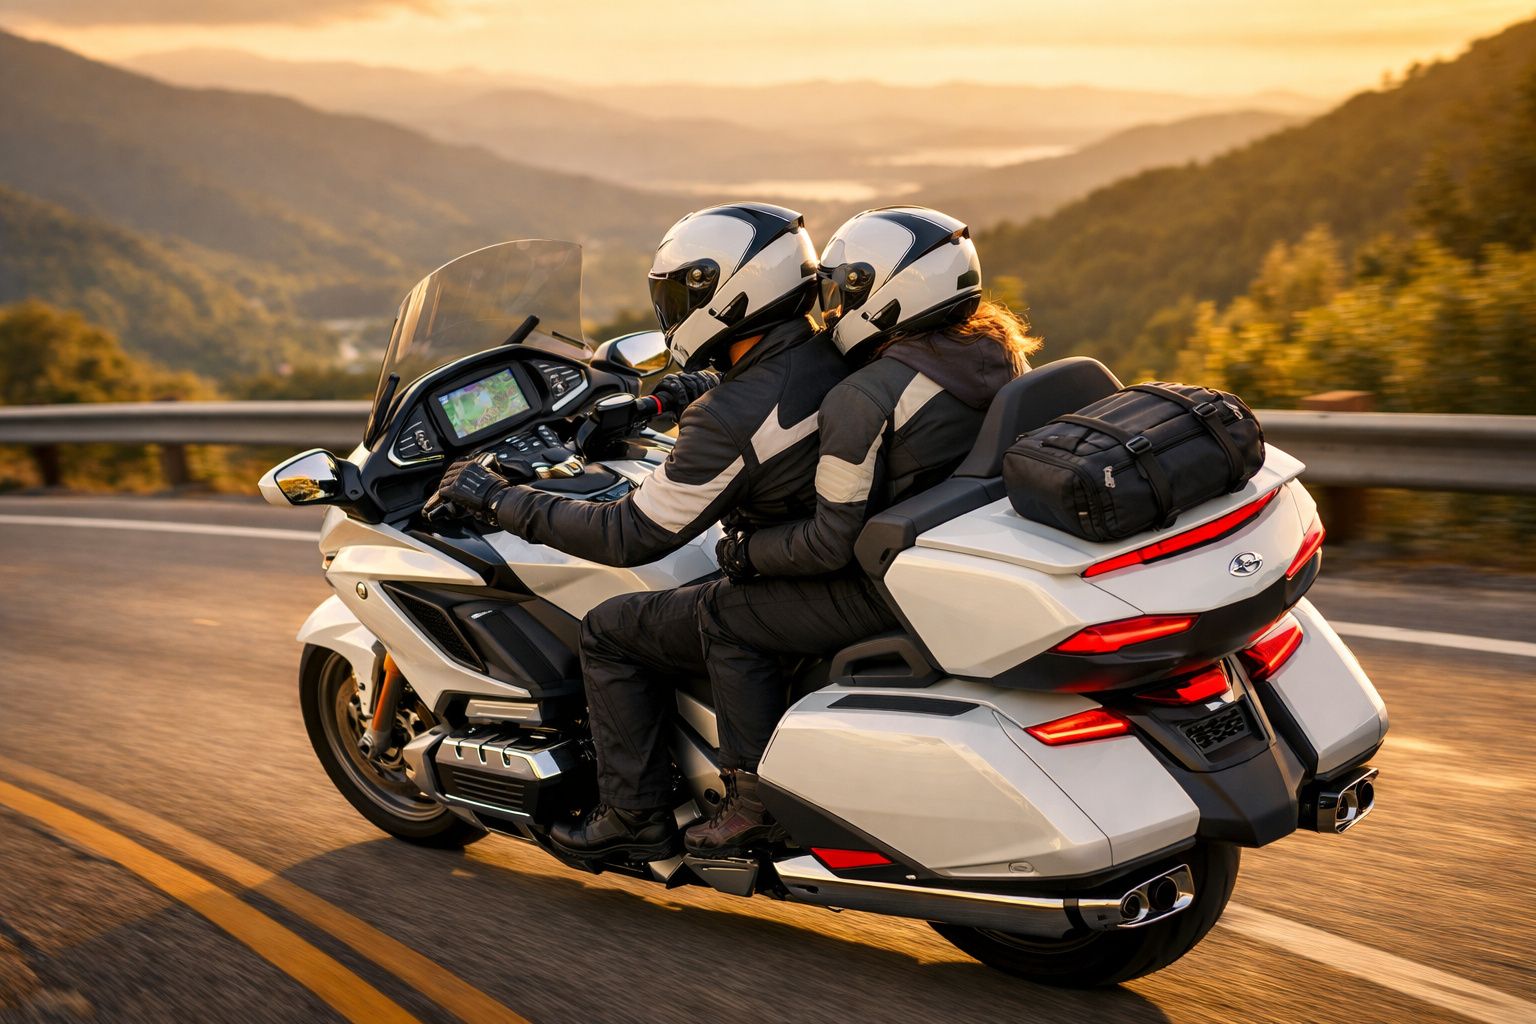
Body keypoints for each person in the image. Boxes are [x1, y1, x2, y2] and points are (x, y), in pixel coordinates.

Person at [433, 202, 847, 861]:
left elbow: (629, 534)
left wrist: (500, 499)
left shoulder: (731, 415)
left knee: (611, 628)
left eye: (680, 295)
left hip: (791, 580)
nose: (672, 311)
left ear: (730, 293)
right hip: (824, 558)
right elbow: (770, 384)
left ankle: (633, 815)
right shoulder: (830, 351)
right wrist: (681, 392)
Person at [682, 206, 1042, 855]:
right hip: (961, 553)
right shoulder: (993, 352)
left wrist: (744, 551)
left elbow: (828, 543)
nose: (830, 310)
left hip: (889, 584)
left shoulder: (864, 396)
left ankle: (754, 802)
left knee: (727, 614)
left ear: (886, 293)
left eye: (842, 290)